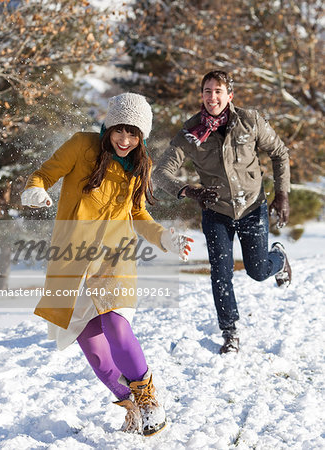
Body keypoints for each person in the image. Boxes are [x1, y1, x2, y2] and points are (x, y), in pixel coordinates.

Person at [21, 93, 193, 436]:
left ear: (141, 136)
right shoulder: (83, 146)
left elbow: (138, 214)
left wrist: (164, 239)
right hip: (72, 261)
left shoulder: (139, 165)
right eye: (119, 131)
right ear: (109, 126)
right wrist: (34, 190)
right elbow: (44, 174)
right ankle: (128, 403)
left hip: (115, 258)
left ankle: (147, 400)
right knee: (96, 353)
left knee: (116, 325)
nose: (125, 141)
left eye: (133, 134)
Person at [153, 70, 292, 354]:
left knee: (258, 270)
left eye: (218, 91)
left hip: (252, 206)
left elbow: (279, 152)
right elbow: (160, 173)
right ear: (201, 95)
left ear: (230, 95)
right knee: (220, 272)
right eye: (207, 91)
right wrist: (189, 191)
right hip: (216, 211)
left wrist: (282, 194)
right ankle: (230, 331)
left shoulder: (250, 121)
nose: (212, 96)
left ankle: (278, 257)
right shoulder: (191, 132)